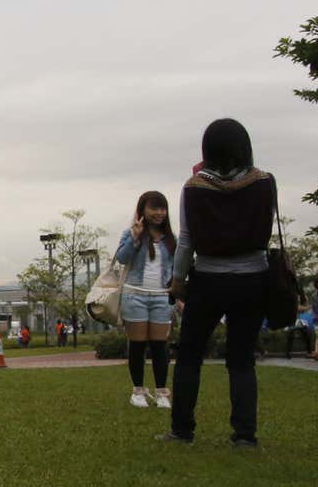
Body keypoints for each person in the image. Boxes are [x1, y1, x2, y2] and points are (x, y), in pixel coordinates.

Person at [162, 119, 275, 449]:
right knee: (241, 359)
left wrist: (178, 282)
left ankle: (182, 431)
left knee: (189, 356)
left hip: (209, 280)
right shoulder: (265, 182)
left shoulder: (194, 186)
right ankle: (244, 435)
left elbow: (185, 242)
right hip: (254, 279)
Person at [115, 191, 177, 409]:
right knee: (138, 346)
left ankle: (161, 393)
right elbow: (121, 258)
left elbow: (177, 269)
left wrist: (178, 295)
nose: (159, 213)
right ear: (143, 210)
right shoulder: (131, 233)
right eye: (154, 208)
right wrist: (134, 237)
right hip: (135, 295)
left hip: (161, 297)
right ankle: (138, 391)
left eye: (163, 208)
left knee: (160, 346)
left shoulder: (171, 238)